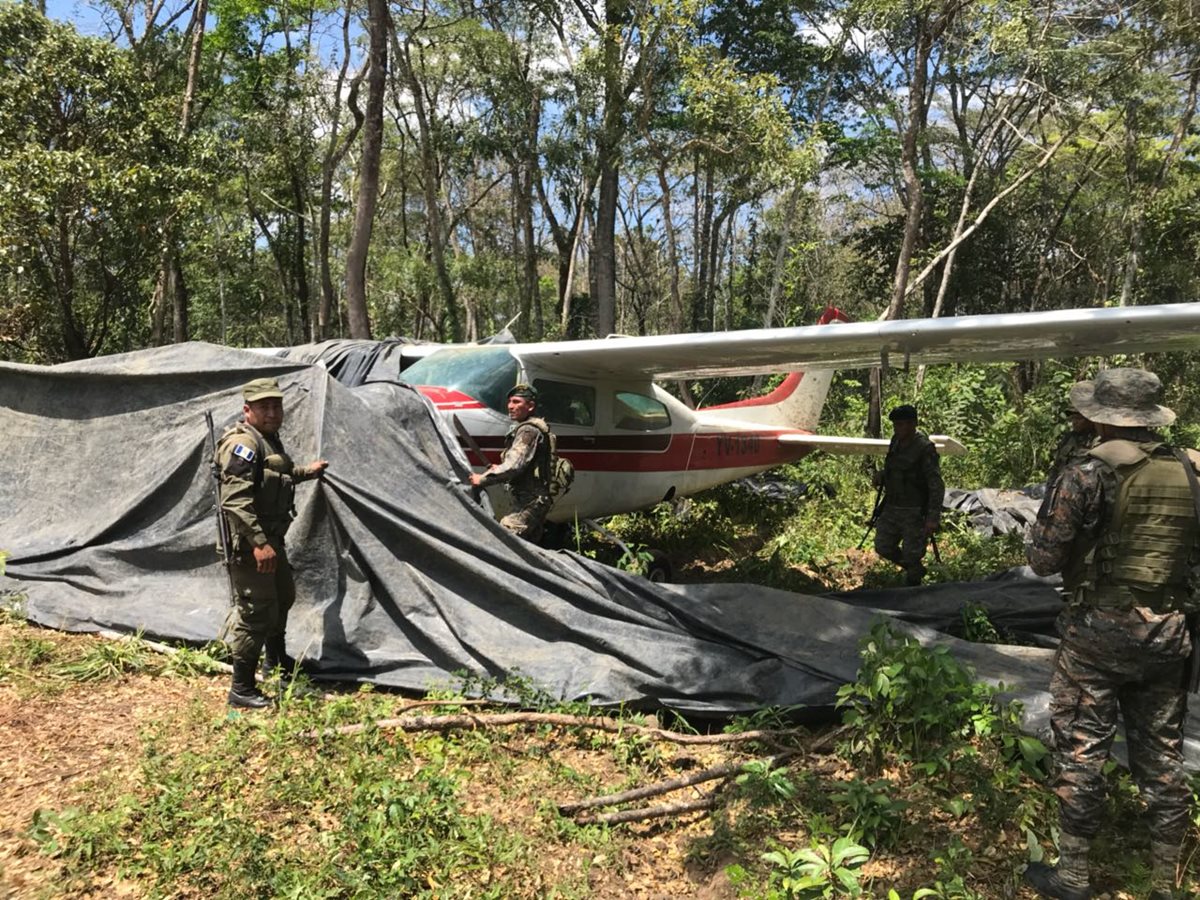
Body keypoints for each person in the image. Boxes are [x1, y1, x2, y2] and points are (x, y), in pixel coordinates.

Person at [1024, 368, 1198, 900]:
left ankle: (1073, 875)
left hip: (1097, 635)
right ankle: (1166, 882)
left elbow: (1043, 560)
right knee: (1163, 756)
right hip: (1169, 634)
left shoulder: (1086, 473)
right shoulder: (1190, 471)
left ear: (1102, 417)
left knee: (1081, 750)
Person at [216, 377, 329, 709]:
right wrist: (259, 543)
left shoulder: (268, 441)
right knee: (256, 612)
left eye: (276, 406)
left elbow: (281, 473)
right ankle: (241, 689)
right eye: (264, 407)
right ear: (247, 410)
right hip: (250, 545)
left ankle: (275, 663)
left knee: (283, 598)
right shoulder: (243, 444)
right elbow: (234, 501)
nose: (272, 412)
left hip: (270, 541)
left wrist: (310, 471)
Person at [469, 383, 554, 542]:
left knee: (503, 540)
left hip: (530, 502)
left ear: (530, 406)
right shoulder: (526, 428)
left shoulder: (528, 430)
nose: (510, 406)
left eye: (516, 402)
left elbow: (514, 466)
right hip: (532, 501)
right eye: (509, 402)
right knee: (527, 550)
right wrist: (498, 468)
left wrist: (482, 479)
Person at [873, 404, 945, 586]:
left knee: (912, 553)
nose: (898, 428)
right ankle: (913, 569)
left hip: (914, 510)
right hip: (892, 506)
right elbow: (894, 466)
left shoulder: (924, 448)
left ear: (913, 424)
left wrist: (932, 517)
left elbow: (936, 484)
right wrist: (883, 475)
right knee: (883, 546)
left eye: (902, 424)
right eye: (896, 425)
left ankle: (913, 586)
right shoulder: (896, 441)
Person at [1046, 403, 1097, 488]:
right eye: (1072, 418)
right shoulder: (1069, 438)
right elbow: (1057, 466)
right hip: (1063, 485)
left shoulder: (1098, 439)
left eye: (1078, 418)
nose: (1074, 422)